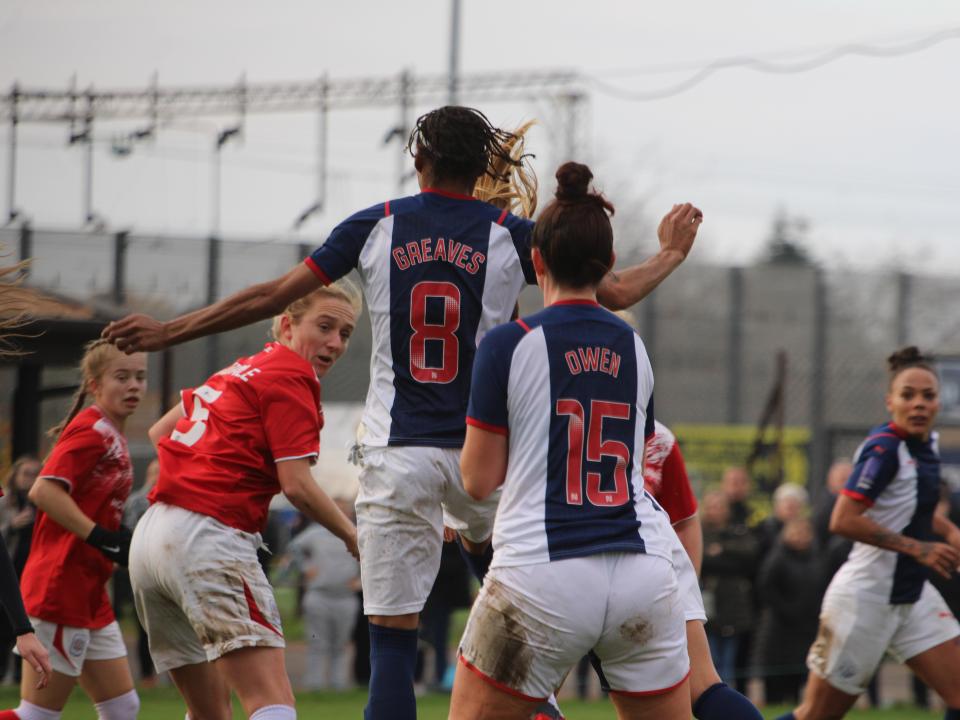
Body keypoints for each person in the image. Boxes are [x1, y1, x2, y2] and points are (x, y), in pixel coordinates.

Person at [103, 105, 703, 720]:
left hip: (399, 451)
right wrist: (670, 252)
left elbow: (269, 297)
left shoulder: (375, 225)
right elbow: (616, 290)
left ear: (419, 162)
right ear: (483, 169)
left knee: (392, 651)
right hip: (485, 456)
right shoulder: (511, 234)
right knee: (525, 646)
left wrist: (169, 331)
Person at [451, 162, 691, 720]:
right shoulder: (634, 348)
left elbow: (477, 480)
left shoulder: (510, 344)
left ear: (535, 261)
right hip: (641, 572)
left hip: (543, 573)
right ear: (607, 264)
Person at [129, 283, 361, 720]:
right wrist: (353, 536)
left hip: (151, 538)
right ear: (287, 325)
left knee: (209, 712)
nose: (335, 342)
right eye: (325, 326)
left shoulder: (242, 369)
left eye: (345, 334)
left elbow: (161, 432)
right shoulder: (293, 376)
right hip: (207, 536)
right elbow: (296, 485)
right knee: (272, 703)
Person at [776, 347, 960, 720]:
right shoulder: (884, 450)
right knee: (816, 715)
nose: (919, 404)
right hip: (864, 602)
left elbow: (916, 509)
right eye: (908, 395)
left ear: (939, 402)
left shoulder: (925, 447)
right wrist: (918, 549)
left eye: (928, 395)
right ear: (890, 401)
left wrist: (951, 532)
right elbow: (842, 519)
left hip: (911, 598)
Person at [1, 339, 147, 720]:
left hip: (89, 592)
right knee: (37, 715)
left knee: (123, 706)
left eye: (140, 377)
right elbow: (43, 490)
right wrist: (101, 536)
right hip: (60, 588)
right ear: (95, 384)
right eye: (122, 377)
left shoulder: (112, 433)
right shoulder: (92, 430)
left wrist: (123, 536)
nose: (134, 385)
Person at [642, 422, 763, 720]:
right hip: (651, 552)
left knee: (532, 690)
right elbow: (686, 522)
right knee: (704, 688)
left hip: (573, 552)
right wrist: (686, 591)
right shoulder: (657, 434)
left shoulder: (548, 412)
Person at [285, 500, 361, 691]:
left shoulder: (357, 533)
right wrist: (306, 568)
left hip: (345, 596)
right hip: (319, 595)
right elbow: (293, 547)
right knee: (317, 643)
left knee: (341, 644)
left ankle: (338, 685)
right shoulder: (315, 533)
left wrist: (360, 580)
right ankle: (315, 684)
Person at [755, 517, 823, 705]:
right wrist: (787, 609)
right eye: (797, 533)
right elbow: (766, 588)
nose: (801, 537)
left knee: (799, 669)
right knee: (778, 670)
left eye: (805, 533)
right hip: (781, 626)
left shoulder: (816, 558)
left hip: (806, 625)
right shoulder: (777, 558)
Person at [700, 491, 759, 687]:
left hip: (734, 604)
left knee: (729, 660)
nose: (715, 511)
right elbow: (700, 561)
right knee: (710, 655)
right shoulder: (699, 531)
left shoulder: (739, 531)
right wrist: (726, 561)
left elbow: (749, 559)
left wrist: (723, 550)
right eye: (711, 506)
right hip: (706, 601)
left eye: (719, 506)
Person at [0, 456, 41, 684]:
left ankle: (18, 678)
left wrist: (23, 629)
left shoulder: (45, 505)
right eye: (25, 473)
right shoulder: (6, 504)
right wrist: (12, 526)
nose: (30, 480)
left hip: (29, 580)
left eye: (35, 474)